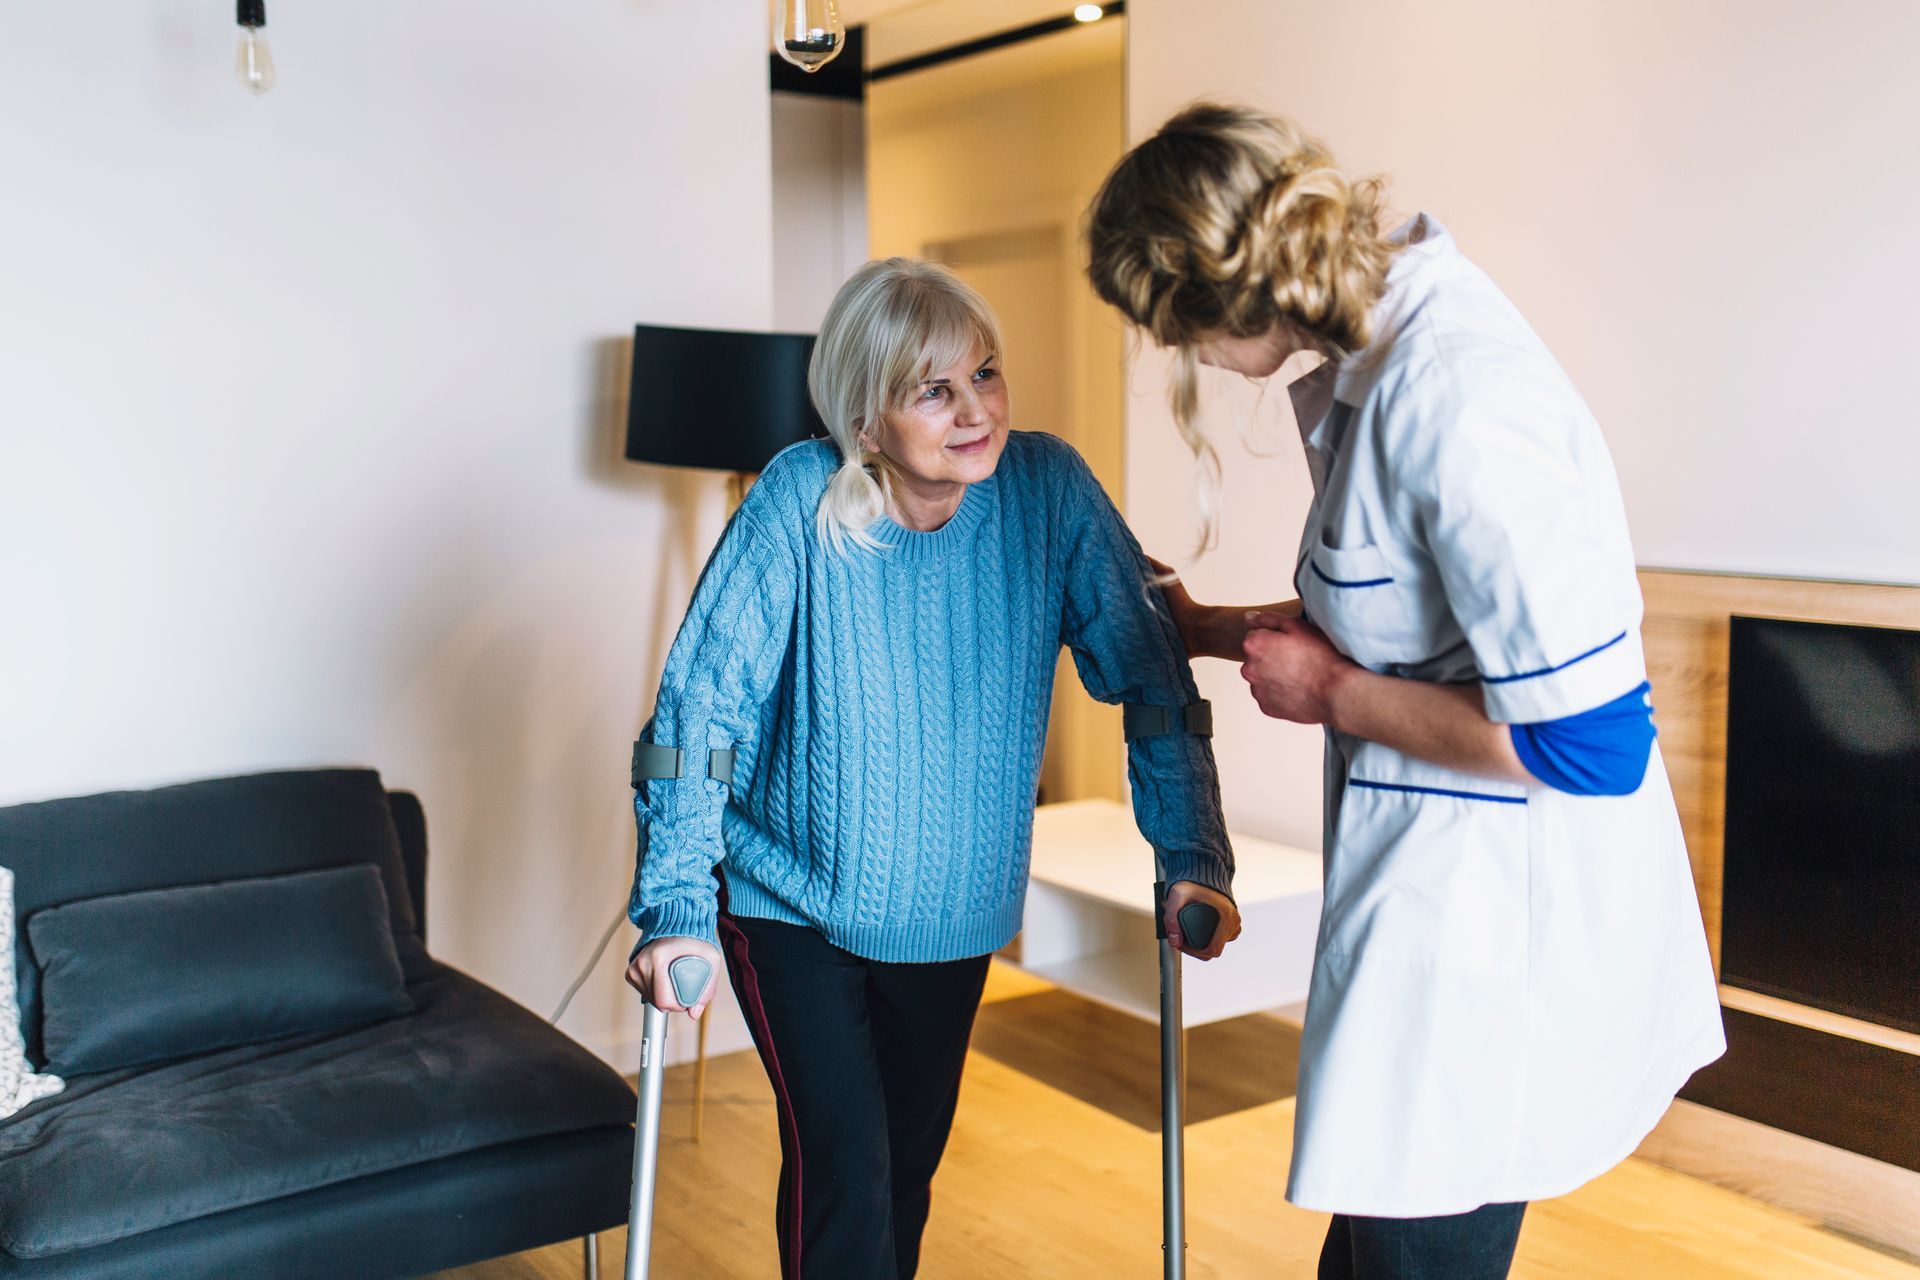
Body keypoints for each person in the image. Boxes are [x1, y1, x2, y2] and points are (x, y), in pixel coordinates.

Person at [1084, 103, 1725, 1280]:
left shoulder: (1462, 395)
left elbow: (1595, 744)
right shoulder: (1378, 358)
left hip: (1498, 938)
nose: (1185, 363)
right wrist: (1207, 627)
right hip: (1438, 914)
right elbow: (1408, 625)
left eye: (1173, 334)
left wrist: (1331, 693)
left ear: (1217, 298)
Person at [624, 257, 1240, 1280]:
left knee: (903, 1168)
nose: (975, 410)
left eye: (986, 375)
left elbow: (1151, 674)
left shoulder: (1049, 492)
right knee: (847, 1165)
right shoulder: (796, 500)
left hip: (953, 906)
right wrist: (677, 900)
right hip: (789, 902)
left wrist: (1193, 851)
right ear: (865, 420)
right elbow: (700, 710)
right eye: (933, 388)